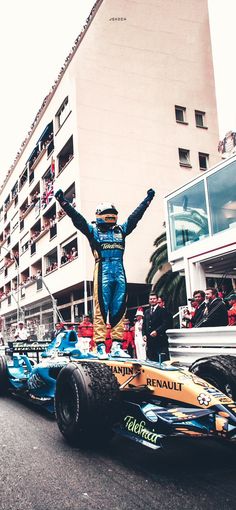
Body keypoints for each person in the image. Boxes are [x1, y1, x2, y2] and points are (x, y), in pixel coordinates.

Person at [55, 188, 155, 351]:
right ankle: (100, 344)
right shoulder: (93, 231)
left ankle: (116, 344)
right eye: (107, 212)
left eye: (112, 212)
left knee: (119, 307)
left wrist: (147, 201)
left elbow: (135, 217)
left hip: (120, 270)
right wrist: (63, 203)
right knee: (101, 307)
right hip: (102, 269)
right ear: (100, 215)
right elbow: (78, 219)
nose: (110, 215)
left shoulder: (121, 230)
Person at [142, 292, 169, 361]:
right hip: (150, 342)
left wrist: (157, 331)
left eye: (154, 299)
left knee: (162, 361)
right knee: (152, 361)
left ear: (157, 300)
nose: (152, 300)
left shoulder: (163, 311)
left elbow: (165, 324)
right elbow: (144, 325)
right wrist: (144, 334)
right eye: (151, 299)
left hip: (160, 340)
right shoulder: (146, 312)